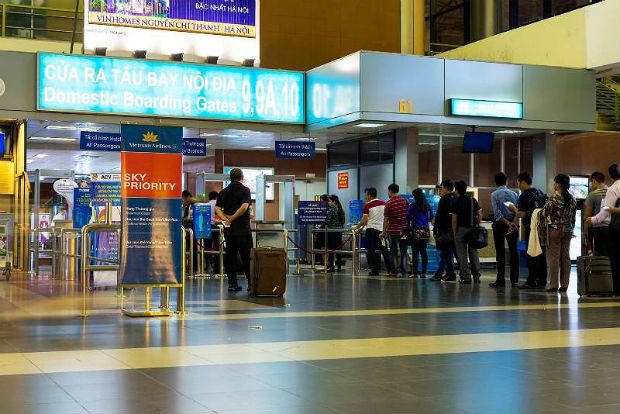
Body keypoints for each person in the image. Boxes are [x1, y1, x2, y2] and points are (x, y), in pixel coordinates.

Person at [508, 173, 548, 290]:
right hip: (542, 227)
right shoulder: (539, 193)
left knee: (531, 253)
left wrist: (513, 208)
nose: (518, 185)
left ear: (522, 182)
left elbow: (521, 214)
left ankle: (531, 281)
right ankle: (542, 280)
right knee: (541, 253)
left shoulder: (524, 196)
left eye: (518, 182)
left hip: (531, 228)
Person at [215, 168, 252, 292]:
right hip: (243, 228)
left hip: (229, 230)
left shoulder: (223, 192)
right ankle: (251, 283)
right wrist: (234, 217)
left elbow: (217, 208)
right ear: (242, 177)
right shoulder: (245, 190)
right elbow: (245, 206)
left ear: (230, 178)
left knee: (230, 256)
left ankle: (232, 284)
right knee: (247, 256)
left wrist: (226, 218)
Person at [586, 163, 620, 295]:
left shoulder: (613, 189)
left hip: (615, 228)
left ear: (610, 176)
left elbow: (606, 210)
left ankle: (617, 289)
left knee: (615, 259)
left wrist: (593, 219)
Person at [543, 174, 577, 293]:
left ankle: (553, 285)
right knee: (565, 257)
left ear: (558, 184)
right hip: (568, 230)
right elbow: (573, 217)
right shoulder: (572, 199)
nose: (553, 184)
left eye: (555, 182)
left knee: (553, 257)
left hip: (555, 230)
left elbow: (544, 213)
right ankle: (565, 285)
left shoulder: (553, 198)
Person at [489, 172, 520, 288]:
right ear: (506, 182)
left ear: (496, 182)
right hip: (513, 224)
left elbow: (497, 214)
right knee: (514, 252)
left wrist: (507, 223)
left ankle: (500, 280)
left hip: (499, 225)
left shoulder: (494, 194)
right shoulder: (515, 194)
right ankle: (514, 280)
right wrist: (512, 223)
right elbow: (517, 211)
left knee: (500, 251)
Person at [352, 188, 390, 276]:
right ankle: (389, 269)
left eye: (366, 194)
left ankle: (374, 270)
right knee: (382, 249)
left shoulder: (367, 205)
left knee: (371, 250)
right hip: (381, 230)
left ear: (369, 195)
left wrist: (356, 227)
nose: (365, 196)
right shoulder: (384, 204)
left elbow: (364, 220)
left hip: (371, 230)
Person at [451, 180, 482, 284]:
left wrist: (454, 232)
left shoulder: (456, 202)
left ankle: (466, 277)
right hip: (472, 229)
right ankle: (476, 276)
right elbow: (479, 214)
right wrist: (477, 225)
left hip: (461, 230)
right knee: (474, 252)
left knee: (462, 254)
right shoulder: (473, 200)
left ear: (457, 190)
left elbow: (454, 219)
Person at [431, 179, 458, 282]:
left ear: (446, 188)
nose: (440, 190)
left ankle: (441, 274)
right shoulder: (456, 198)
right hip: (454, 230)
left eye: (441, 188)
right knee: (447, 253)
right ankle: (449, 274)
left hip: (445, 231)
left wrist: (435, 230)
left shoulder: (444, 200)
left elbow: (439, 216)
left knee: (445, 253)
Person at [381, 184, 410, 277]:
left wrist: (383, 232)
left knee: (393, 251)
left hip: (393, 231)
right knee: (404, 251)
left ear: (390, 191)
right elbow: (408, 215)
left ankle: (393, 272)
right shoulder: (405, 201)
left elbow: (386, 219)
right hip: (404, 231)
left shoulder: (388, 203)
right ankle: (404, 271)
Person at [406, 189, 433, 279]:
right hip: (425, 230)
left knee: (415, 253)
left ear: (415, 196)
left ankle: (414, 273)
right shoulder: (427, 206)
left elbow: (408, 216)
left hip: (416, 230)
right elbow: (431, 218)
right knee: (423, 252)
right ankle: (424, 273)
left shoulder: (413, 205)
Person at [584, 172, 609, 256]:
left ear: (594, 181)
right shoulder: (612, 192)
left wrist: (585, 232)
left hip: (598, 229)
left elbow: (587, 216)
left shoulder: (592, 195)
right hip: (612, 227)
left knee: (599, 255)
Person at [327, 195, 346, 272]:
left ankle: (331, 266)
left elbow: (328, 221)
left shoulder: (331, 210)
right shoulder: (341, 210)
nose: (328, 202)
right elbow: (343, 221)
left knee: (331, 249)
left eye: (329, 201)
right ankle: (339, 266)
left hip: (332, 231)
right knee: (338, 249)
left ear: (334, 202)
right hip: (339, 232)